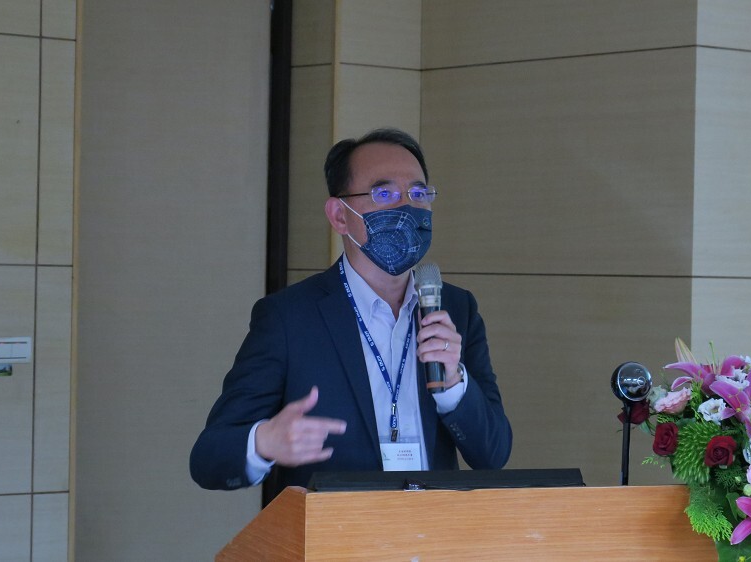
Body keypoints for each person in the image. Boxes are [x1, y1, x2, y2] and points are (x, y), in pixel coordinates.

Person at [190, 128, 512, 493]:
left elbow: (493, 453)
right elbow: (208, 459)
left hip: (434, 527)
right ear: (339, 216)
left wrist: (453, 385)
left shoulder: (455, 309)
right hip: (336, 527)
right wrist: (263, 442)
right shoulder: (289, 318)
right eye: (384, 193)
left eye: (418, 193)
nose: (406, 208)